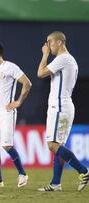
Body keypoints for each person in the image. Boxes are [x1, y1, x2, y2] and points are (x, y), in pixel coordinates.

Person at [37, 31, 89, 192]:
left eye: (50, 42)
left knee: (52, 145)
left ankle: (83, 171)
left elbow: (40, 73)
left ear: (59, 42)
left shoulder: (63, 59)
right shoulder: (69, 59)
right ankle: (55, 183)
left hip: (59, 107)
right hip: (64, 105)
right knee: (58, 146)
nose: (48, 46)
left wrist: (44, 55)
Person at [0, 41, 32, 188]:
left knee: (7, 145)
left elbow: (27, 83)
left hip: (6, 113)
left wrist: (18, 102)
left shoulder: (10, 67)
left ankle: (22, 173)